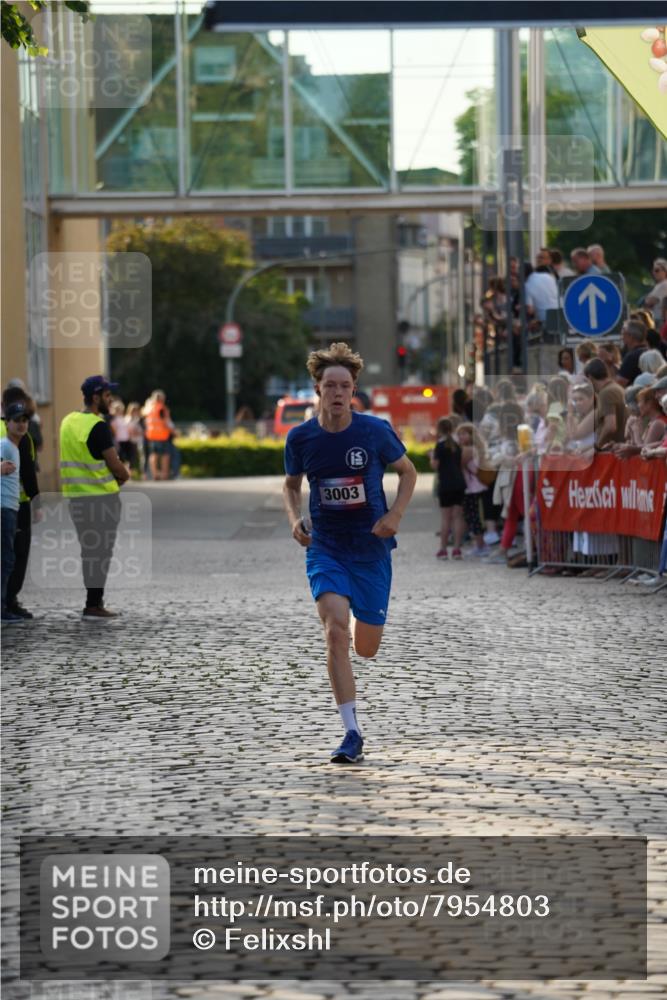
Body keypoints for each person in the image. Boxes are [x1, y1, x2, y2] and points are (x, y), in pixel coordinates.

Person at [283, 343, 416, 764]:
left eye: (345, 386)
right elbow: (290, 485)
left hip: (371, 549)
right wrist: (294, 519)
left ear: (353, 390)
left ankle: (360, 609)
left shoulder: (374, 431)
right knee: (335, 632)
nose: (338, 392)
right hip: (326, 548)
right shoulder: (301, 437)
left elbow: (408, 473)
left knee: (367, 648)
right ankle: (352, 732)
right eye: (330, 386)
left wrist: (395, 513)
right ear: (317, 390)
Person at [59, 375, 129, 619]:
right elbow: (116, 467)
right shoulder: (97, 426)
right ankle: (94, 604)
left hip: (76, 500)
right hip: (102, 500)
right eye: (108, 395)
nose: (111, 399)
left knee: (89, 550)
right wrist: (124, 474)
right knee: (101, 552)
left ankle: (92, 601)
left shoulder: (67, 421)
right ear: (96, 397)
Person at [1, 387, 40, 618]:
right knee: (14, 555)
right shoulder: (22, 439)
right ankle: (9, 601)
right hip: (16, 503)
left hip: (10, 502)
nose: (22, 423)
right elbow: (28, 472)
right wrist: (37, 501)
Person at [1, 403, 30, 624]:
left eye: (24, 420)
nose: (21, 424)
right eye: (16, 420)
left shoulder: (15, 447)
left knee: (7, 559)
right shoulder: (4, 445)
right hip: (3, 509)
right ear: (6, 422)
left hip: (11, 508)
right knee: (6, 559)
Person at [431, 417, 466, 560]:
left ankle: (443, 549)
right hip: (459, 483)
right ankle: (457, 549)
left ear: (439, 429)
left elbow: (435, 465)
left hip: (445, 484)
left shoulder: (439, 445)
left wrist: (430, 457)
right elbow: (460, 464)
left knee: (446, 518)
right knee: (457, 517)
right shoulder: (457, 445)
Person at [584, 358, 627, 448]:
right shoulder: (615, 388)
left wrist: (597, 446)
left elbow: (610, 426)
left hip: (614, 451)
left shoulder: (606, 392)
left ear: (590, 377)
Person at [143, 390, 174, 481]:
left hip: (151, 435)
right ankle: (164, 474)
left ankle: (155, 474)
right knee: (165, 455)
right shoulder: (162, 409)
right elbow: (167, 422)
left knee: (153, 455)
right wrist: (174, 431)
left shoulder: (148, 409)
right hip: (162, 435)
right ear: (162, 399)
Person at [617, 320, 648, 388]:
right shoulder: (651, 351)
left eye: (623, 334)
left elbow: (620, 383)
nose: (621, 337)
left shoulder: (632, 357)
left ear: (630, 336)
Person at [644, 259, 667, 325]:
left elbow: (650, 302)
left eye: (657, 270)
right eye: (653, 270)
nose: (654, 273)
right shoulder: (658, 285)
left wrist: (647, 299)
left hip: (659, 321)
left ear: (665, 271)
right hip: (656, 320)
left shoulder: (664, 284)